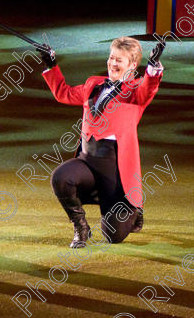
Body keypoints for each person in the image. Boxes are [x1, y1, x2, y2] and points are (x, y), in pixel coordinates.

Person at [37, 37, 164, 248]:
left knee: (113, 236)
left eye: (119, 60)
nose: (112, 63)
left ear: (132, 65)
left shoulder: (135, 92)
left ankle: (133, 211)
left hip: (114, 171)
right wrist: (51, 65)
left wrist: (153, 67)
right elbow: (64, 93)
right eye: (111, 57)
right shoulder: (93, 83)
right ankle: (81, 228)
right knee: (61, 177)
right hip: (87, 160)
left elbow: (148, 88)